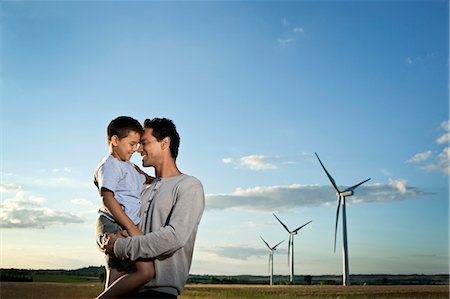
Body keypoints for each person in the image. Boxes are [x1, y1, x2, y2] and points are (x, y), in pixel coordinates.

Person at [102, 117, 205, 298]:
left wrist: (119, 246)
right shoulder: (138, 189)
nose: (138, 149)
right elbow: (110, 218)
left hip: (159, 293)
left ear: (165, 143)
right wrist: (106, 241)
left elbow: (174, 237)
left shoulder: (189, 186)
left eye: (144, 143)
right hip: (126, 289)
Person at [94, 116, 155, 299]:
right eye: (132, 144)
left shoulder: (131, 167)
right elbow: (107, 197)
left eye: (137, 145)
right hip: (114, 223)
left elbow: (152, 180)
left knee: (116, 279)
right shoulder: (110, 166)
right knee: (146, 271)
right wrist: (130, 227)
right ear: (115, 140)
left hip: (122, 224)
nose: (135, 149)